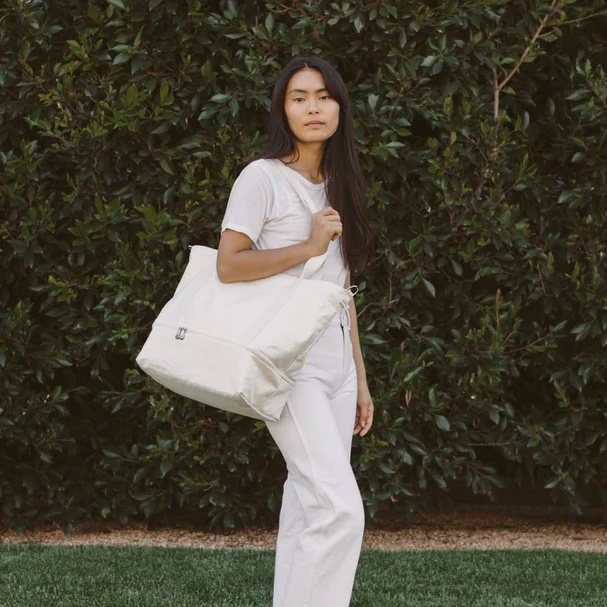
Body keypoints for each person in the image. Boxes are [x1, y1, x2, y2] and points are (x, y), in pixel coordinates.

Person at [216, 56, 374, 607]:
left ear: (339, 107)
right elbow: (228, 265)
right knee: (338, 507)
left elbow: (341, 284)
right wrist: (307, 246)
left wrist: (359, 375)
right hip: (288, 361)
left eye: (324, 96)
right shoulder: (261, 177)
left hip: (335, 364)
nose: (313, 107)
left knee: (309, 505)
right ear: (283, 108)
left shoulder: (338, 182)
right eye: (300, 96)